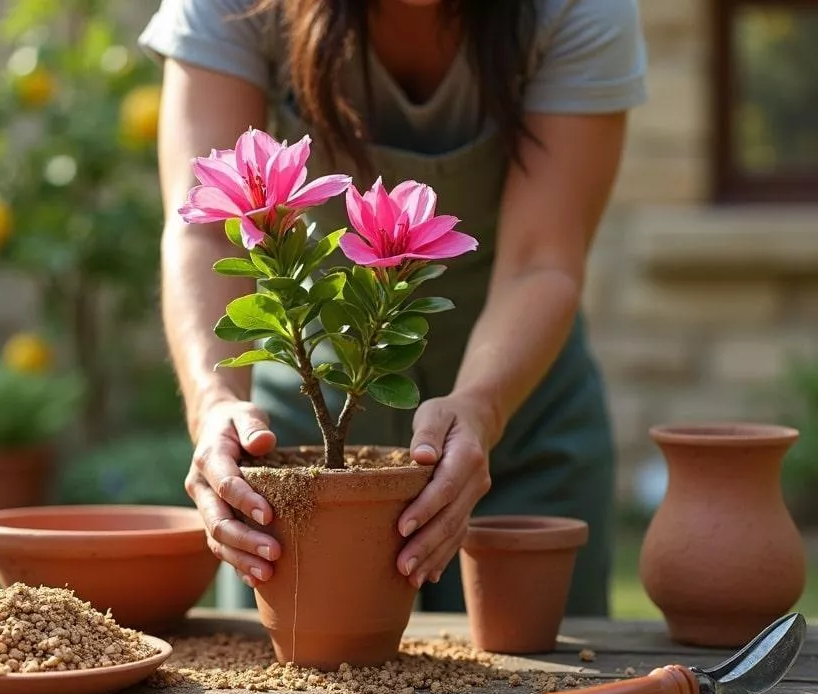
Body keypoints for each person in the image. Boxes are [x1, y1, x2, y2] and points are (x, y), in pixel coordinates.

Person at [139, 0, 647, 616]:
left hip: (521, 425)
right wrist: (213, 401)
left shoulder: (580, 10)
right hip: (301, 426)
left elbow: (542, 260)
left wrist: (481, 408)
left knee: (547, 684)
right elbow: (199, 225)